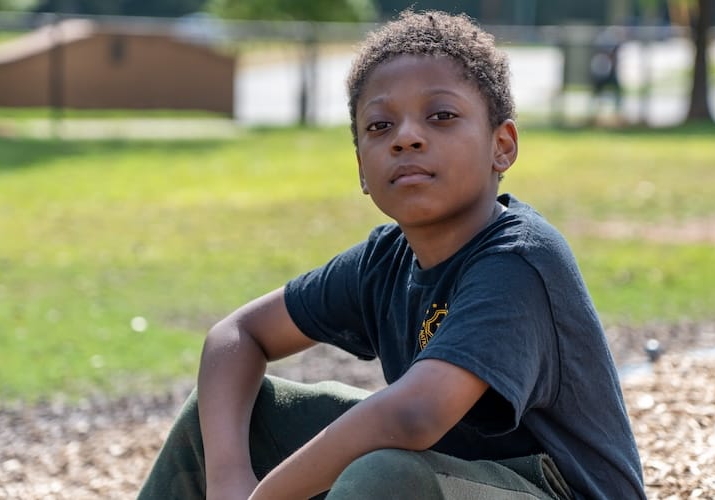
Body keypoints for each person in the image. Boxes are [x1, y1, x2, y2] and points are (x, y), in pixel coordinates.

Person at [138, 10, 645, 500]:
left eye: (441, 116)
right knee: (229, 415)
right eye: (380, 127)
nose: (407, 137)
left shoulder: (520, 261)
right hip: (456, 478)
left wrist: (265, 497)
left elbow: (413, 415)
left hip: (557, 491)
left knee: (386, 476)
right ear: (362, 167)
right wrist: (228, 481)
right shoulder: (387, 261)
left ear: (503, 146)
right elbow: (237, 335)